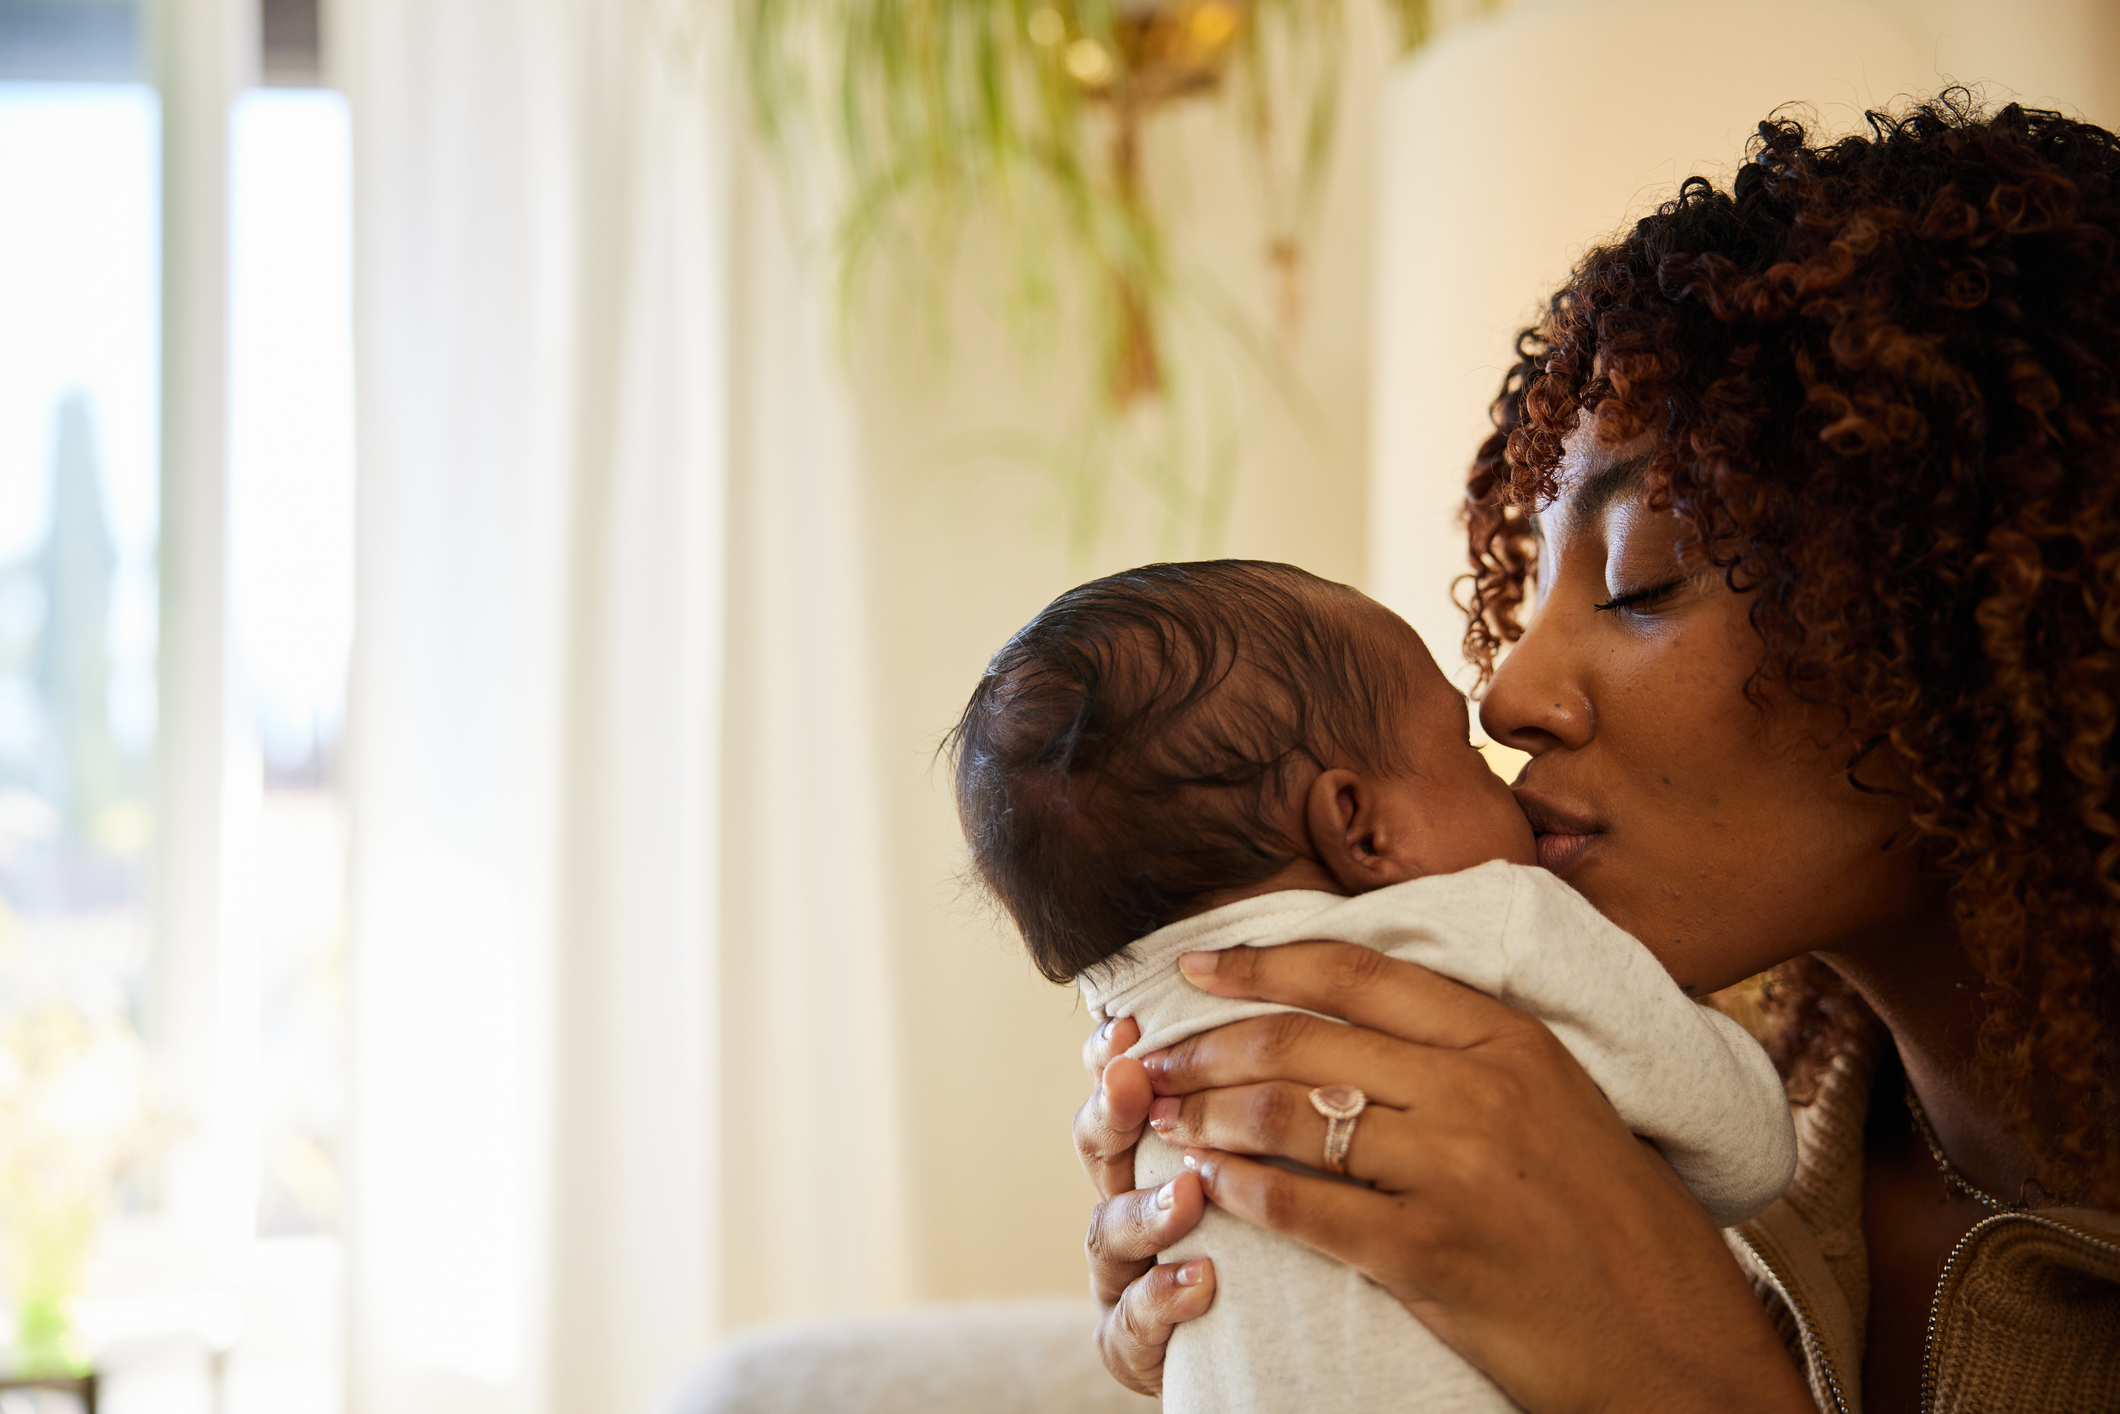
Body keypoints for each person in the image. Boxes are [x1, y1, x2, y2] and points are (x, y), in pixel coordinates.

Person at [1069, 92, 2120, 1414]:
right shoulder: (1659, 1128)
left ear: (1980, 601)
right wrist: (1284, 1308)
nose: (1505, 695)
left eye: (1639, 579)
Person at [948, 560, 1795, 1412]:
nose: (1504, 726)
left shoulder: (1139, 1047)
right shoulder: (1499, 921)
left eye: (1639, 586)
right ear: (1360, 827)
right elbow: (1750, 1151)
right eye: (1463, 752)